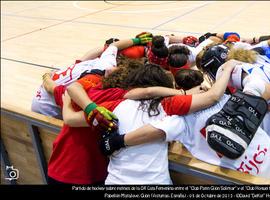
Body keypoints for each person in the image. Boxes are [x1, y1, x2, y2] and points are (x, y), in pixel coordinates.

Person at [63, 59, 239, 184]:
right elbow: (213, 96)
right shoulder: (168, 106)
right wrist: (227, 67)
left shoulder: (112, 106)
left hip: (115, 182)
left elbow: (70, 119)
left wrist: (66, 103)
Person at [32, 36, 152, 119]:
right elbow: (55, 90)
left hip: (49, 90)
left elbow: (113, 46)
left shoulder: (106, 62)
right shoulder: (98, 77)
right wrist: (46, 78)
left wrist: (136, 40)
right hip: (45, 106)